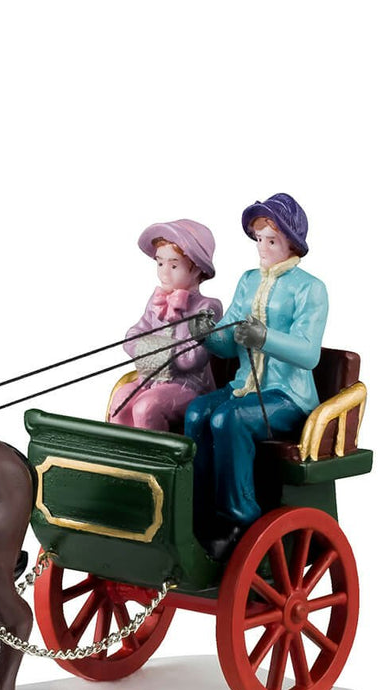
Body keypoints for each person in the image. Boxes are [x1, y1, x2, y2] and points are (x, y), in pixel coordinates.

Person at [186, 193, 328, 557]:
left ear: (292, 243)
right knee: (197, 413)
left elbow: (309, 353)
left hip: (287, 397)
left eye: (272, 241)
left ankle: (238, 520)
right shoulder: (248, 281)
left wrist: (264, 338)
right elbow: (228, 343)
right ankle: (196, 510)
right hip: (243, 388)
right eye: (259, 239)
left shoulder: (310, 289)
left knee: (228, 420)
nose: (262, 247)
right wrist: (208, 334)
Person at [107, 219, 222, 432]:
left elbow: (191, 358)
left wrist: (152, 347)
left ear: (197, 269)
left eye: (174, 265)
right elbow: (132, 336)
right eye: (160, 264)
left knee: (146, 407)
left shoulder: (207, 307)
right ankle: (120, 452)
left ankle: (154, 453)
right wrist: (147, 345)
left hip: (190, 386)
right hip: (150, 379)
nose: (164, 273)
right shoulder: (156, 301)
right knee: (120, 401)